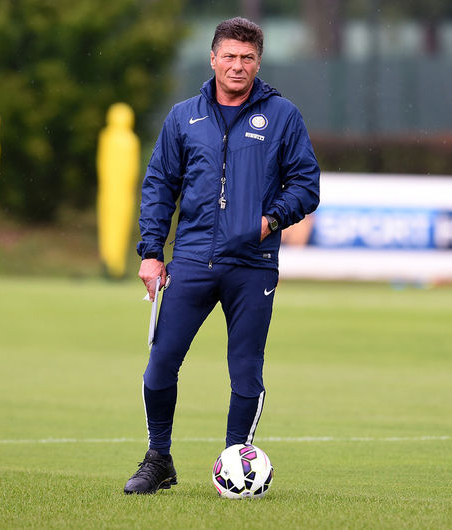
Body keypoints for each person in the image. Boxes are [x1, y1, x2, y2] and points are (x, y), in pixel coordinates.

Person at [124, 17, 321, 495]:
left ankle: (236, 461)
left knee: (246, 371)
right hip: (192, 260)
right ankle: (158, 459)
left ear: (259, 63)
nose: (237, 65)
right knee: (160, 364)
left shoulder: (282, 116)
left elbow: (306, 184)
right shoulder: (183, 117)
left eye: (247, 58)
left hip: (253, 266)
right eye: (229, 56)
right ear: (212, 59)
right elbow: (159, 187)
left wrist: (268, 221)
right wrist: (151, 252)